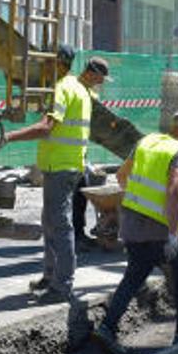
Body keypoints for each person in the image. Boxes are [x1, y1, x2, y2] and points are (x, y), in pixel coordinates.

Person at [91, 110, 178, 354]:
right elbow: (174, 190)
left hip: (133, 226)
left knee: (133, 276)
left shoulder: (147, 142)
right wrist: (173, 234)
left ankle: (107, 328)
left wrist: (139, 201)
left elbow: (121, 176)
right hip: (162, 229)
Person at [3, 50, 102, 303]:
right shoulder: (80, 89)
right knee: (51, 222)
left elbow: (47, 127)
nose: (44, 67)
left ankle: (62, 286)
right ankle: (51, 276)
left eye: (48, 62)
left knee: (59, 225)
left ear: (58, 63)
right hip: (65, 165)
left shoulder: (62, 88)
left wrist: (8, 137)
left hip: (61, 167)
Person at [70, 58, 113, 252]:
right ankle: (73, 237)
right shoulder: (72, 89)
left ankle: (77, 234)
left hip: (78, 154)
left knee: (80, 197)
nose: (102, 82)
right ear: (90, 72)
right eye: (101, 77)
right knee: (75, 197)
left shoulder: (90, 94)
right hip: (66, 156)